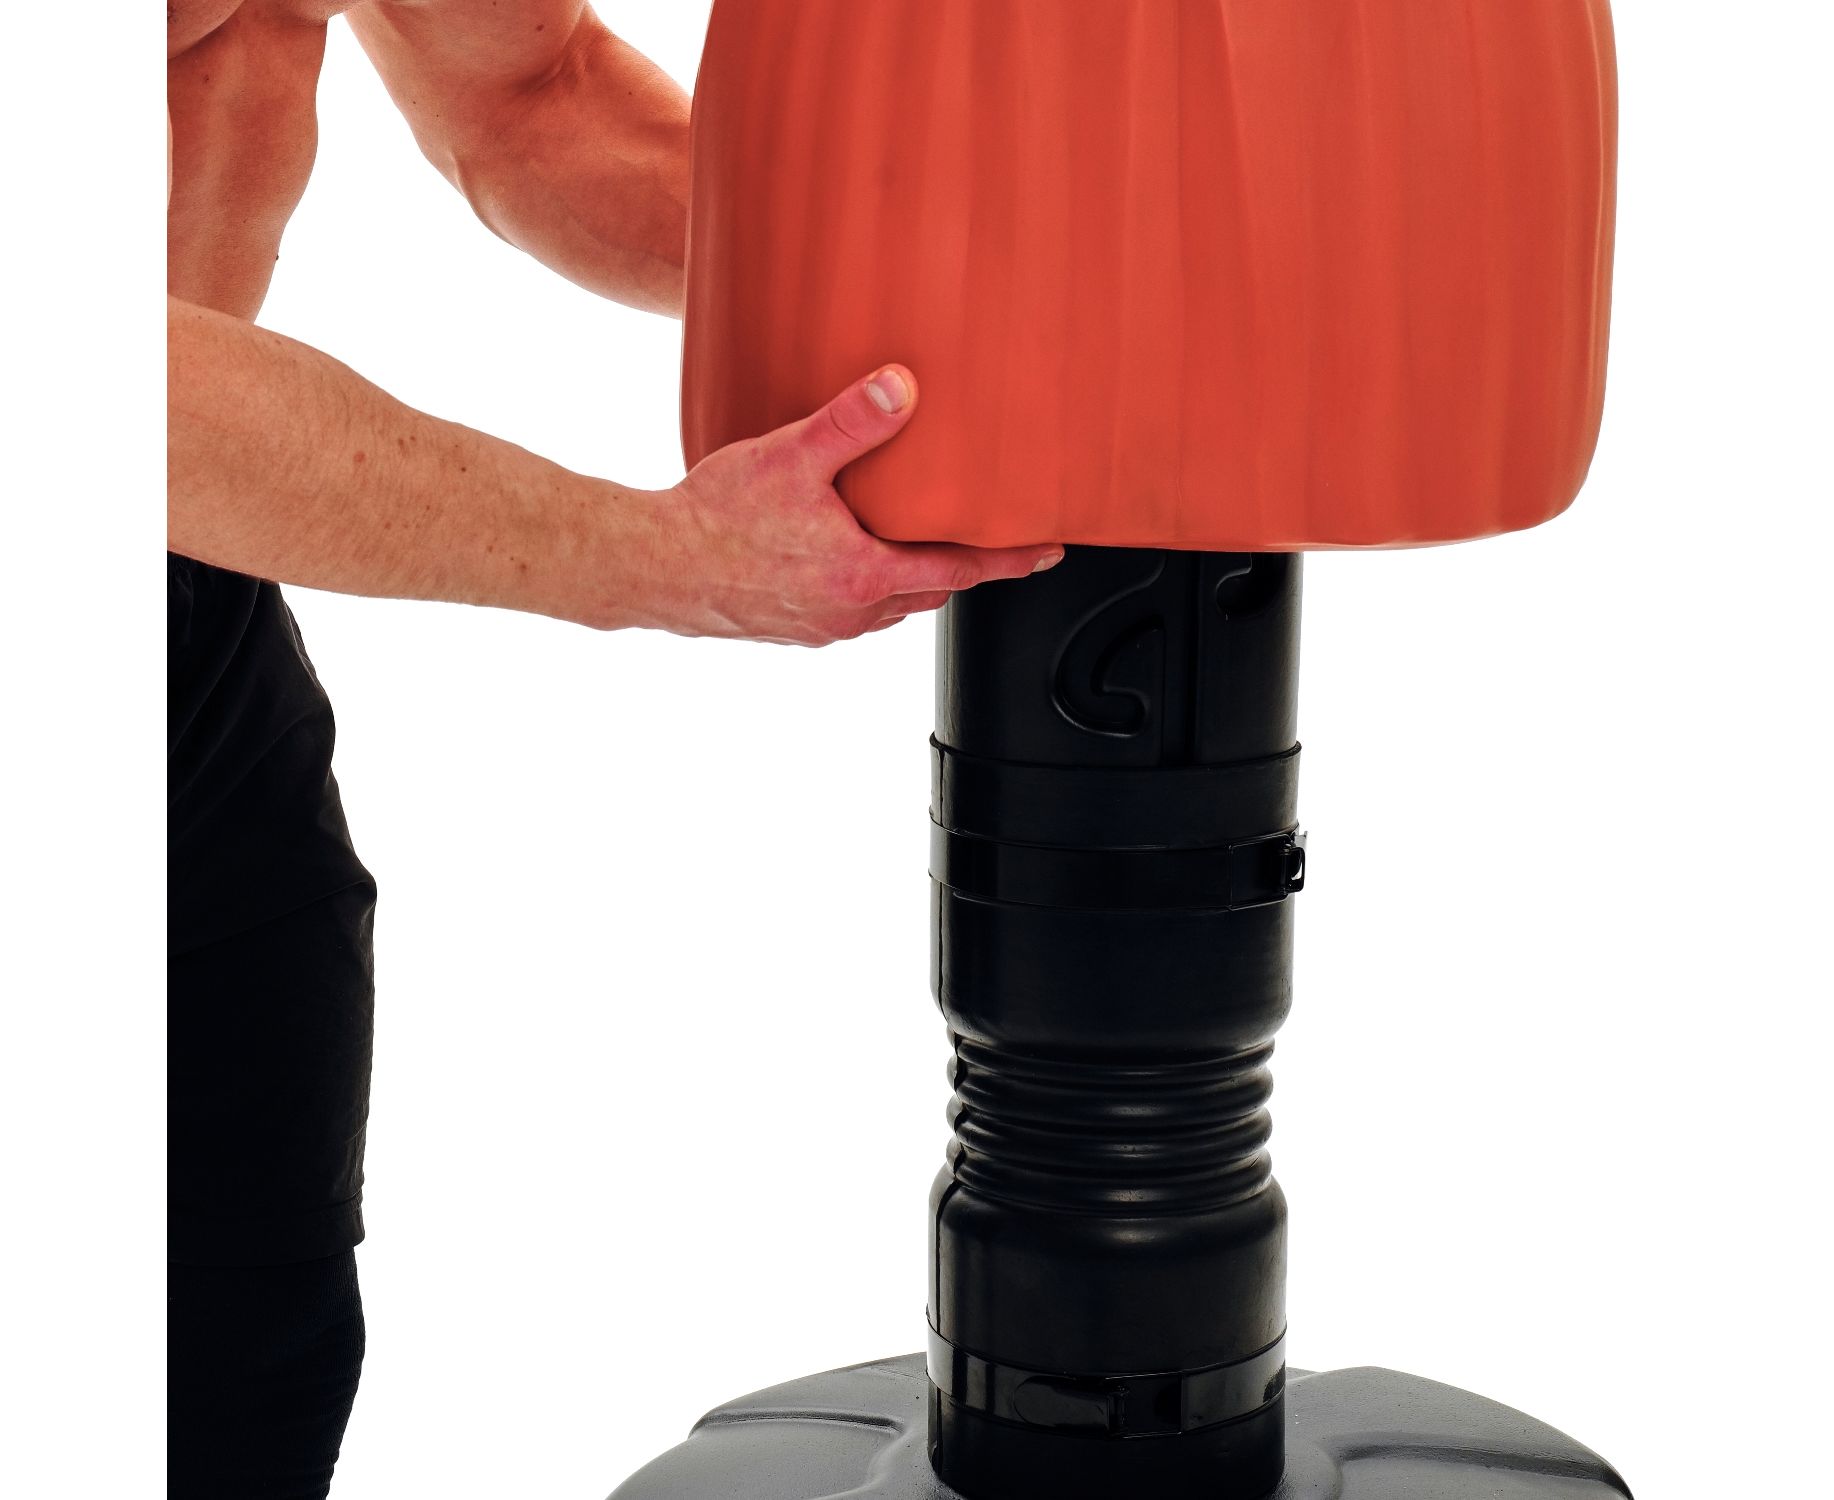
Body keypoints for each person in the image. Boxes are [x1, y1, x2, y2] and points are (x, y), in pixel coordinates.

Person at [167, 3, 1063, 1494]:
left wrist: (983, 292)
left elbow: (531, 96)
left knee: (240, 1336)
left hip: (179, 623)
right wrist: (661, 557)